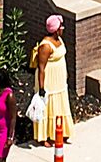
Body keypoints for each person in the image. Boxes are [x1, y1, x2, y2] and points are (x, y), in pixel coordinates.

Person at [30, 15, 74, 146]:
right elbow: (41, 68)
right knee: (49, 107)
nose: (63, 29)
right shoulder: (45, 46)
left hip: (59, 80)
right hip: (49, 81)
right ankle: (45, 137)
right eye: (61, 27)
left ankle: (61, 132)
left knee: (60, 105)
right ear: (55, 30)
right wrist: (42, 88)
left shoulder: (59, 39)